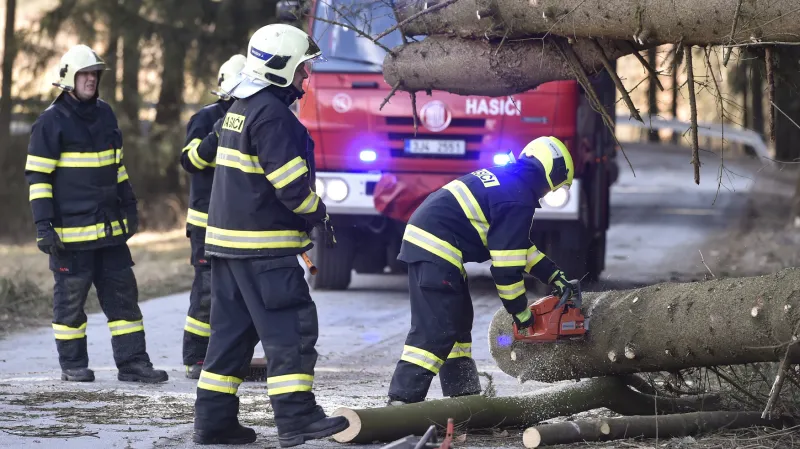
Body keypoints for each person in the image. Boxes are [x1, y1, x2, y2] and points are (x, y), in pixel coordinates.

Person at [192, 23, 347, 447]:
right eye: (302, 70)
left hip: (228, 249)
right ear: (279, 69)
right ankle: (297, 418)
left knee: (229, 339)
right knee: (292, 332)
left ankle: (214, 423)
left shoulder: (239, 108)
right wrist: (320, 213)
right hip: (265, 251)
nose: (306, 78)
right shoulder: (274, 116)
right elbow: (292, 188)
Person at [386, 136, 580, 405]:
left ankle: (464, 400)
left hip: (432, 243)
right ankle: (401, 403)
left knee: (458, 323)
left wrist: (552, 274)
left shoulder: (509, 182)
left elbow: (514, 245)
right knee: (437, 327)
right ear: (549, 173)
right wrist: (521, 313)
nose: (547, 193)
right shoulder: (518, 197)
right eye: (552, 187)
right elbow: (505, 267)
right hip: (436, 246)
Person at [24, 44, 168, 384]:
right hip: (70, 238)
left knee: (124, 303)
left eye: (94, 74)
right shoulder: (50, 123)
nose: (91, 79)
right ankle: (73, 365)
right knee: (70, 305)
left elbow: (117, 168)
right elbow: (38, 179)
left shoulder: (105, 114)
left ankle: (134, 365)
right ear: (68, 79)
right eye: (84, 74)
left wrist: (130, 207)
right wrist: (44, 226)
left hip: (110, 233)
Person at [178, 53, 246, 380]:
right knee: (206, 292)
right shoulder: (205, 119)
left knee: (235, 293)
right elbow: (189, 160)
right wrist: (216, 137)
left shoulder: (253, 118)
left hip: (239, 224)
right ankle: (195, 357)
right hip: (205, 224)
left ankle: (227, 355)